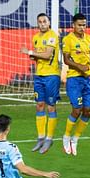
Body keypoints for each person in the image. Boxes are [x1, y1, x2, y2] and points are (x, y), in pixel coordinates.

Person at [20, 13, 61, 154]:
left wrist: (30, 52)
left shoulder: (52, 36)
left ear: (49, 23)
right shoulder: (36, 37)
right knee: (39, 105)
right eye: (40, 22)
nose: (42, 24)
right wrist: (31, 54)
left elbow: (48, 55)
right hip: (39, 75)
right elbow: (37, 57)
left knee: (50, 107)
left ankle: (49, 139)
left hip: (51, 75)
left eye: (44, 21)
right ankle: (41, 137)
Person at [61, 13, 90, 156]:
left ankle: (75, 139)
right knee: (77, 109)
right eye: (79, 25)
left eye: (84, 25)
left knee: (88, 111)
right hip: (74, 79)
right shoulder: (68, 39)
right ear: (73, 25)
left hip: (86, 79)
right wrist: (79, 67)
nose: (82, 27)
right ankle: (66, 136)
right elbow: (66, 59)